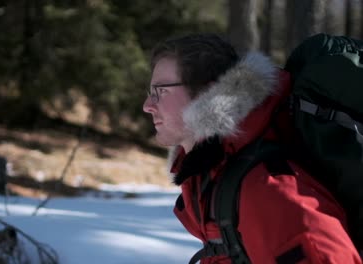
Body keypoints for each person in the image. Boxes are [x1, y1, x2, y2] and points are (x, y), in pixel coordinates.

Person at [142, 33, 361, 263]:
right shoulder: (213, 176)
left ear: (206, 93)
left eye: (161, 91)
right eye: (150, 93)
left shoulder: (267, 188)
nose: (148, 106)